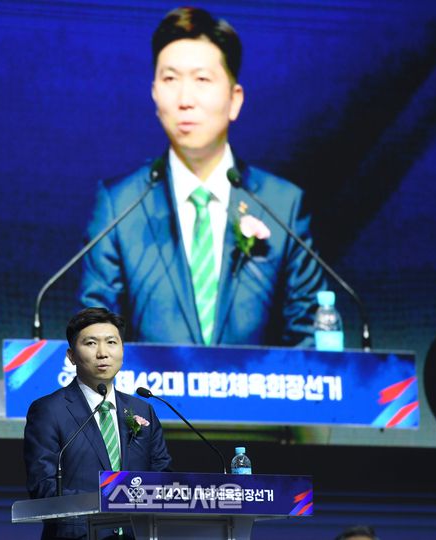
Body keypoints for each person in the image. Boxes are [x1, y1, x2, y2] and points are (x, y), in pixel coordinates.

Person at [77, 6, 325, 347]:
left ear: (234, 100)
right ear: (154, 94)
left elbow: (310, 343)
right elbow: (96, 343)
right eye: (170, 79)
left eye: (202, 80)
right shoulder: (119, 206)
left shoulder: (282, 206)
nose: (185, 99)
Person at [24, 307, 172, 539]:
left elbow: (162, 477)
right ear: (71, 356)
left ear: (122, 350)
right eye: (91, 343)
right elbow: (44, 487)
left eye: (111, 342)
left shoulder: (143, 410)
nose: (103, 353)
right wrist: (113, 498)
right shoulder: (48, 410)